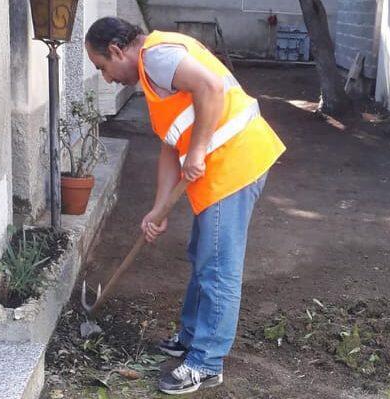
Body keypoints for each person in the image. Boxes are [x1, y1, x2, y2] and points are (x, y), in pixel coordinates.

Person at [85, 17, 286, 395]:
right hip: (218, 169)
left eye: (103, 68)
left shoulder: (157, 57)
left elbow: (211, 87)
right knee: (202, 254)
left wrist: (196, 151)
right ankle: (192, 336)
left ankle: (206, 363)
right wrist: (157, 209)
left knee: (218, 267)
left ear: (116, 50)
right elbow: (169, 145)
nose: (107, 79)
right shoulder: (152, 72)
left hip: (235, 164)